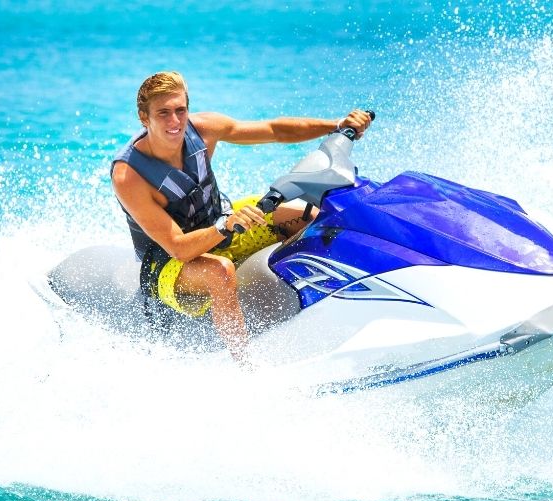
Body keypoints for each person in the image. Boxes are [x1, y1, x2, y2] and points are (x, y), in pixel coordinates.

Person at [111, 71, 372, 365]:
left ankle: (343, 300)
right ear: (144, 117)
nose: (175, 122)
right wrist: (226, 225)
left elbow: (274, 130)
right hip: (168, 263)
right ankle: (244, 366)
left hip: (219, 223)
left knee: (315, 217)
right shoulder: (128, 175)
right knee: (219, 271)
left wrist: (336, 125)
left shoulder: (204, 129)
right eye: (163, 113)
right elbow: (178, 247)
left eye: (180, 110)